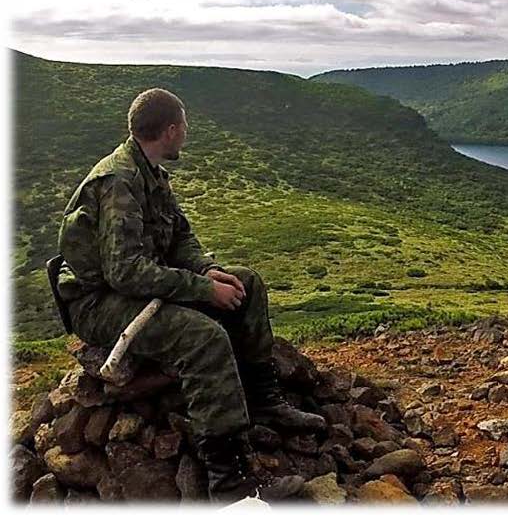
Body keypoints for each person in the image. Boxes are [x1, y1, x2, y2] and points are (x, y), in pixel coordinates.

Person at [54, 88, 324, 501]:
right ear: (171, 130)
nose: (187, 135)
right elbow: (124, 271)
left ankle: (264, 400)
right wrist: (201, 289)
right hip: (97, 303)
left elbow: (180, 236)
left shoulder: (151, 173)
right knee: (202, 336)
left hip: (128, 289)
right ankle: (229, 479)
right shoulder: (120, 181)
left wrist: (207, 270)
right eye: (185, 128)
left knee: (246, 283)